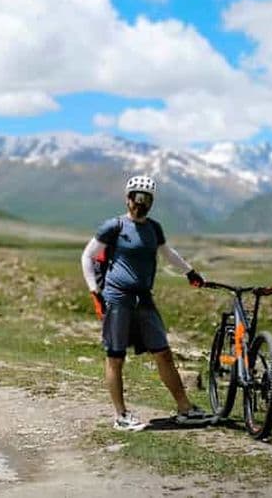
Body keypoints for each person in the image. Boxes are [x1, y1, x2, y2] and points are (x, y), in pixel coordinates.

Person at [80, 175, 211, 431]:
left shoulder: (154, 228)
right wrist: (95, 292)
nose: (139, 203)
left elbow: (167, 253)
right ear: (127, 198)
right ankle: (121, 416)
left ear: (151, 202)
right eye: (135, 197)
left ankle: (185, 409)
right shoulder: (114, 226)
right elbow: (88, 255)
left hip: (144, 299)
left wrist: (190, 272)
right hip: (117, 299)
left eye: (145, 198)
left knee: (163, 352)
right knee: (115, 357)